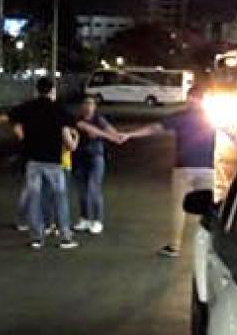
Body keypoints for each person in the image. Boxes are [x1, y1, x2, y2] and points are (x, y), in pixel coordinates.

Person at [0, 78, 81, 250]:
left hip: (33, 161)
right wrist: (77, 138)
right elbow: (72, 135)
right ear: (52, 91)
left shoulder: (27, 108)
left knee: (34, 199)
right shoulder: (59, 111)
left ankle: (36, 238)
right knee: (60, 198)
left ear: (36, 91)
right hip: (54, 162)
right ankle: (65, 237)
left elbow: (2, 118)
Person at [122, 84, 217, 258]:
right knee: (205, 209)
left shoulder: (181, 117)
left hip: (184, 168)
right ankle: (208, 248)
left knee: (179, 208)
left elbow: (154, 128)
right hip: (207, 169)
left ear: (190, 98)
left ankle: (174, 246)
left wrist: (130, 134)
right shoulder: (212, 118)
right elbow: (233, 136)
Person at [70, 94, 126, 235]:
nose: (88, 107)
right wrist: (109, 137)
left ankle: (97, 220)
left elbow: (111, 130)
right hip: (79, 158)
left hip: (96, 157)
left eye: (91, 104)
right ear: (82, 106)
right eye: (86, 104)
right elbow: (87, 129)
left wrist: (118, 136)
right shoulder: (77, 120)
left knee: (93, 189)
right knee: (82, 191)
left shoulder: (99, 119)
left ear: (94, 107)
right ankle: (84, 218)